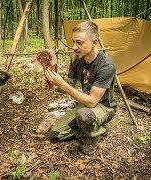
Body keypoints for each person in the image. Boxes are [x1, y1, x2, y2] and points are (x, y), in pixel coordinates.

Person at [45, 21, 117, 155]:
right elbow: (68, 85)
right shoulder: (76, 59)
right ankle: (90, 126)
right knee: (55, 135)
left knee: (84, 115)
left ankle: (94, 135)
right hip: (84, 104)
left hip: (104, 107)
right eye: (73, 42)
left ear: (94, 42)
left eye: (79, 42)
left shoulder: (106, 66)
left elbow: (92, 101)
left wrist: (62, 84)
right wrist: (53, 82)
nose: (74, 47)